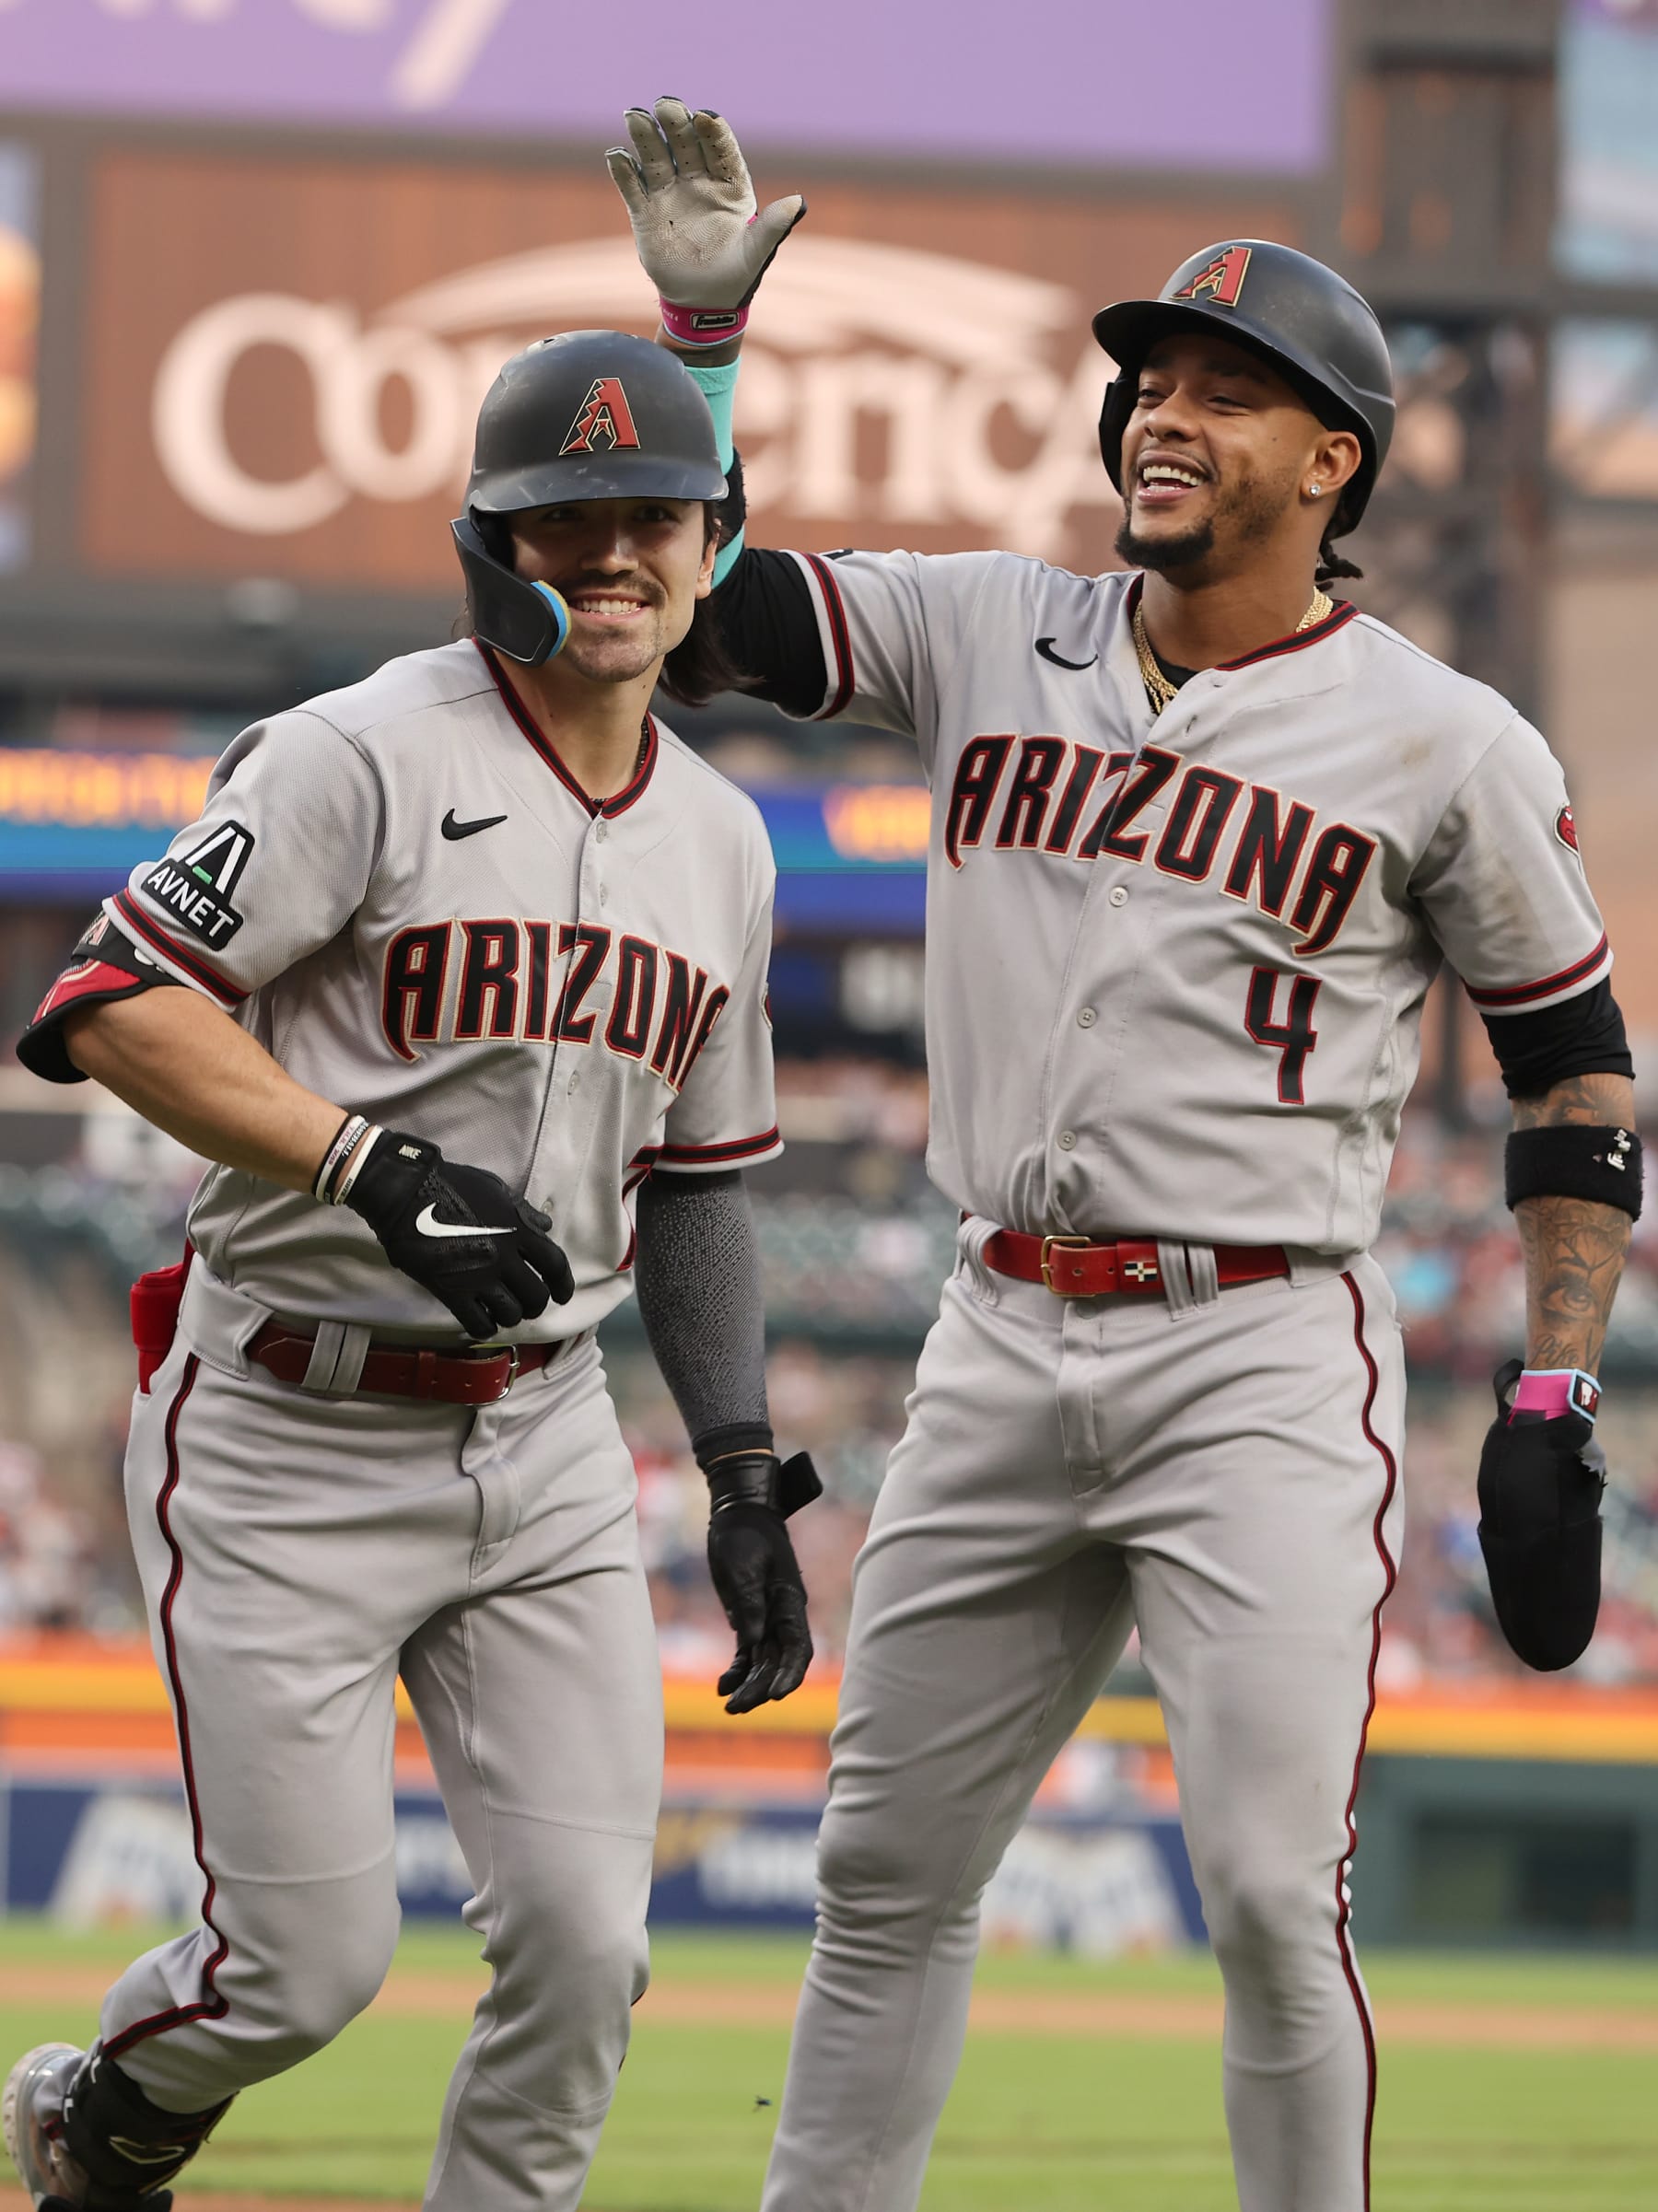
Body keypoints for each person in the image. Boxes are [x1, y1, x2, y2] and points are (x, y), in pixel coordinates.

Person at [607, 100, 1641, 2212]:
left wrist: (1550, 1385)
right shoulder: (996, 629)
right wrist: (702, 340)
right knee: (882, 1866)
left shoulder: (1449, 739)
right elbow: (696, 618)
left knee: (1271, 1890)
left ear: (1332, 459)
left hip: (1254, 1351)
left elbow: (1577, 1082)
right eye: (1152, 384)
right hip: (994, 1330)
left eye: (1225, 395)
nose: (1165, 416)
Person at [3, 328, 818, 2212]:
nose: (612, 555)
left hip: (536, 1445)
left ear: (716, 542)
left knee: (587, 1945)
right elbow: (111, 1006)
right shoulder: (359, 752)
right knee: (299, 1969)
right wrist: (363, 1163)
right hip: (292, 1415)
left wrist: (741, 1462)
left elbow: (697, 1187)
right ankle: (101, 2121)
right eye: (567, 520)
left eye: (652, 519)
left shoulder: (723, 841)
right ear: (491, 549)